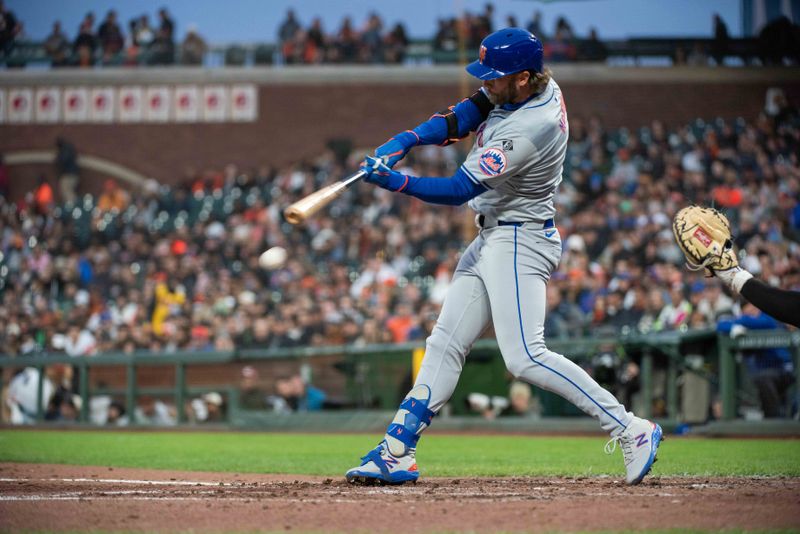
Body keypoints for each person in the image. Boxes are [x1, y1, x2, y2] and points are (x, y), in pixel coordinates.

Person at [345, 28, 662, 487]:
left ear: (524, 78)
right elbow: (469, 111)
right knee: (444, 344)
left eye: (497, 77)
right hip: (493, 237)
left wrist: (395, 182)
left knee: (525, 357)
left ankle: (630, 427)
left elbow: (458, 190)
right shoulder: (527, 87)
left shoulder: (532, 125)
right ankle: (397, 452)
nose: (487, 83)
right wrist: (408, 139)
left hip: (519, 240)